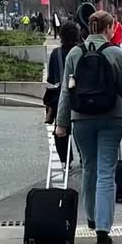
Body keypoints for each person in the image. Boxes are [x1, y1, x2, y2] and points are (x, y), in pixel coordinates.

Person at [56, 10, 122, 244]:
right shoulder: (115, 53)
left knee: (89, 167)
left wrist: (62, 123)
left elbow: (65, 90)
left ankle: (91, 217)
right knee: (106, 171)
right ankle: (103, 228)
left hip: (81, 117)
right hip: (111, 117)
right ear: (108, 28)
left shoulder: (74, 53)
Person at [45, 21, 80, 167]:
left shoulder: (56, 54)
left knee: (61, 128)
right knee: (80, 128)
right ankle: (84, 157)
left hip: (60, 96)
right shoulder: (80, 51)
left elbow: (51, 79)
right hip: (80, 95)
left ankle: (66, 160)